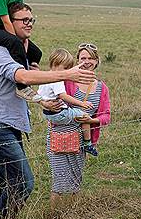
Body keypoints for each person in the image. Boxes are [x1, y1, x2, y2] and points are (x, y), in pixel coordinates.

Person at [0, 3, 95, 219]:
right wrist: (67, 73)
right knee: (24, 182)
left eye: (32, 19)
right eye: (23, 20)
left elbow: (24, 86)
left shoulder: (22, 53)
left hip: (11, 124)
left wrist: (42, 101)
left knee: (9, 184)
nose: (29, 23)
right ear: (8, 23)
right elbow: (21, 76)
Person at [47, 42, 111, 209]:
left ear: (97, 61)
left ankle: (74, 217)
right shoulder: (66, 80)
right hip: (58, 135)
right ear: (77, 61)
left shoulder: (101, 88)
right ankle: (51, 218)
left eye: (91, 58)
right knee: (59, 180)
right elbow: (50, 99)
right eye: (83, 58)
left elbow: (106, 116)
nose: (87, 61)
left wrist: (91, 121)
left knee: (76, 179)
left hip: (82, 140)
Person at [37, 48, 99, 157]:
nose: (67, 71)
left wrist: (44, 103)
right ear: (56, 64)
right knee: (84, 116)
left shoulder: (44, 78)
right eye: (66, 68)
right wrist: (81, 104)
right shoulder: (57, 79)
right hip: (59, 113)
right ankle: (87, 143)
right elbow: (63, 96)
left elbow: (39, 95)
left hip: (47, 114)